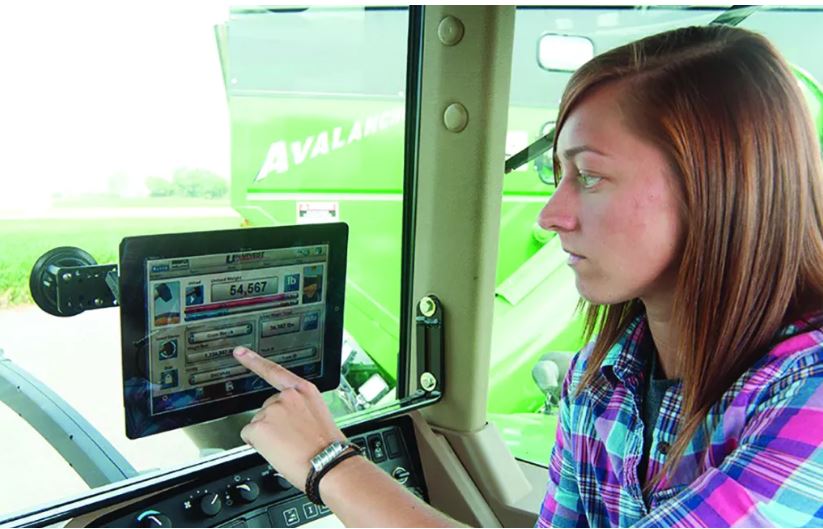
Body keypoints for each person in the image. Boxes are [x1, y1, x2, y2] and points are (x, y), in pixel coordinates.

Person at [232, 24, 823, 527]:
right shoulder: (602, 379)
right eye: (558, 175)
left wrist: (328, 463)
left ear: (717, 188)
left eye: (589, 176)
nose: (552, 216)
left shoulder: (809, 390)